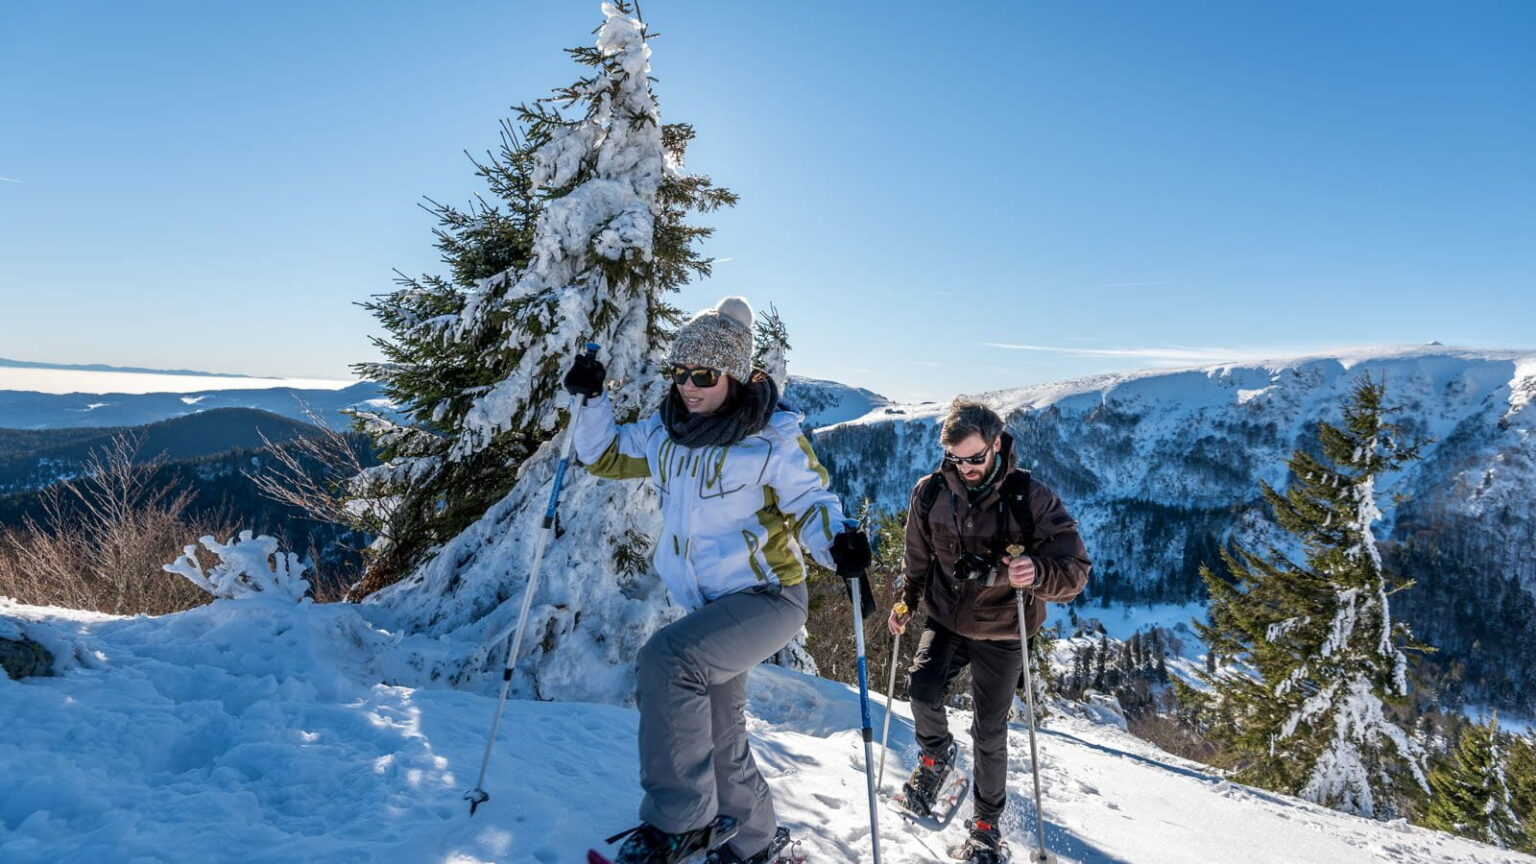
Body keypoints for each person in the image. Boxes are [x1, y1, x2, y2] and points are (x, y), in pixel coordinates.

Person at [564, 296, 870, 864]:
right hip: (709, 606)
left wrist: (838, 543)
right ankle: (757, 844)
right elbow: (602, 454)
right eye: (680, 373)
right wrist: (591, 398)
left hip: (768, 597)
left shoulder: (770, 437)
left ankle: (678, 824)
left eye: (703, 375)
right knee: (719, 732)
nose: (689, 387)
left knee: (667, 662)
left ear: (733, 374)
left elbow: (811, 500)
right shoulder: (666, 433)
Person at [889, 399, 1091, 863]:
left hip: (1003, 627)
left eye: (975, 458)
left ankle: (985, 827)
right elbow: (917, 562)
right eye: (957, 460)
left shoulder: (1030, 498)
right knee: (921, 691)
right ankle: (935, 757)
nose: (966, 469)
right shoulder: (931, 492)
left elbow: (1075, 570)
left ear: (997, 444)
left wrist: (1034, 570)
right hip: (946, 616)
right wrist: (905, 602)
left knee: (989, 732)